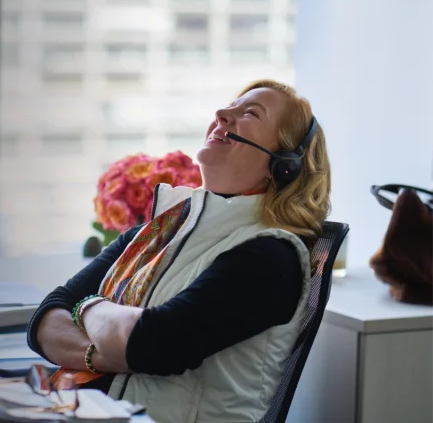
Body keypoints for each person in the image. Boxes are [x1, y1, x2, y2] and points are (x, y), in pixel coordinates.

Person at [26, 79, 331, 423]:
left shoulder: (270, 256)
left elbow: (152, 344)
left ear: (284, 163)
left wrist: (87, 306)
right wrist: (102, 354)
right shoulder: (161, 230)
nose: (221, 114)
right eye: (230, 106)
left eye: (250, 113)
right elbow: (46, 318)